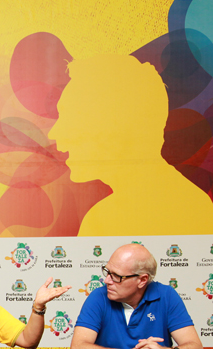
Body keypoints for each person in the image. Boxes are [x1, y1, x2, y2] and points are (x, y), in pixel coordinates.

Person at [49, 54, 213, 236]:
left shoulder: (108, 219)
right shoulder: (189, 204)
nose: (54, 133)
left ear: (115, 125)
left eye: (71, 118)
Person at [70, 243, 202, 349]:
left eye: (116, 276)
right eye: (107, 272)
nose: (107, 281)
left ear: (142, 280)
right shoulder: (99, 296)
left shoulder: (167, 296)